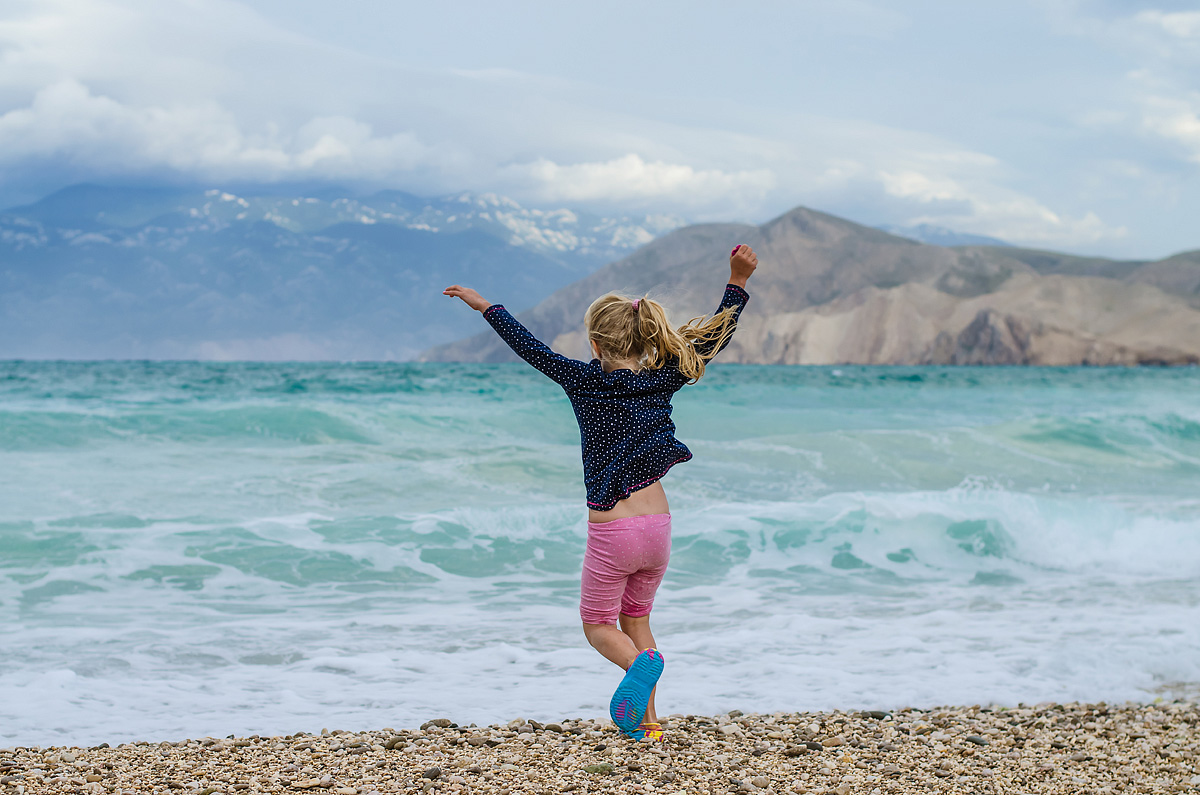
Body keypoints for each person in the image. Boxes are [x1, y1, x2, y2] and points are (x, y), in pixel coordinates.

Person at [442, 244, 758, 740]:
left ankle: (639, 672)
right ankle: (647, 725)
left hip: (614, 532)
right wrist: (737, 282)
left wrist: (488, 308)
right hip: (659, 529)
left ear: (594, 341)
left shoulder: (582, 379)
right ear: (645, 337)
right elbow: (711, 342)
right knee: (637, 618)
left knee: (597, 625)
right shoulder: (663, 380)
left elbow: (531, 348)